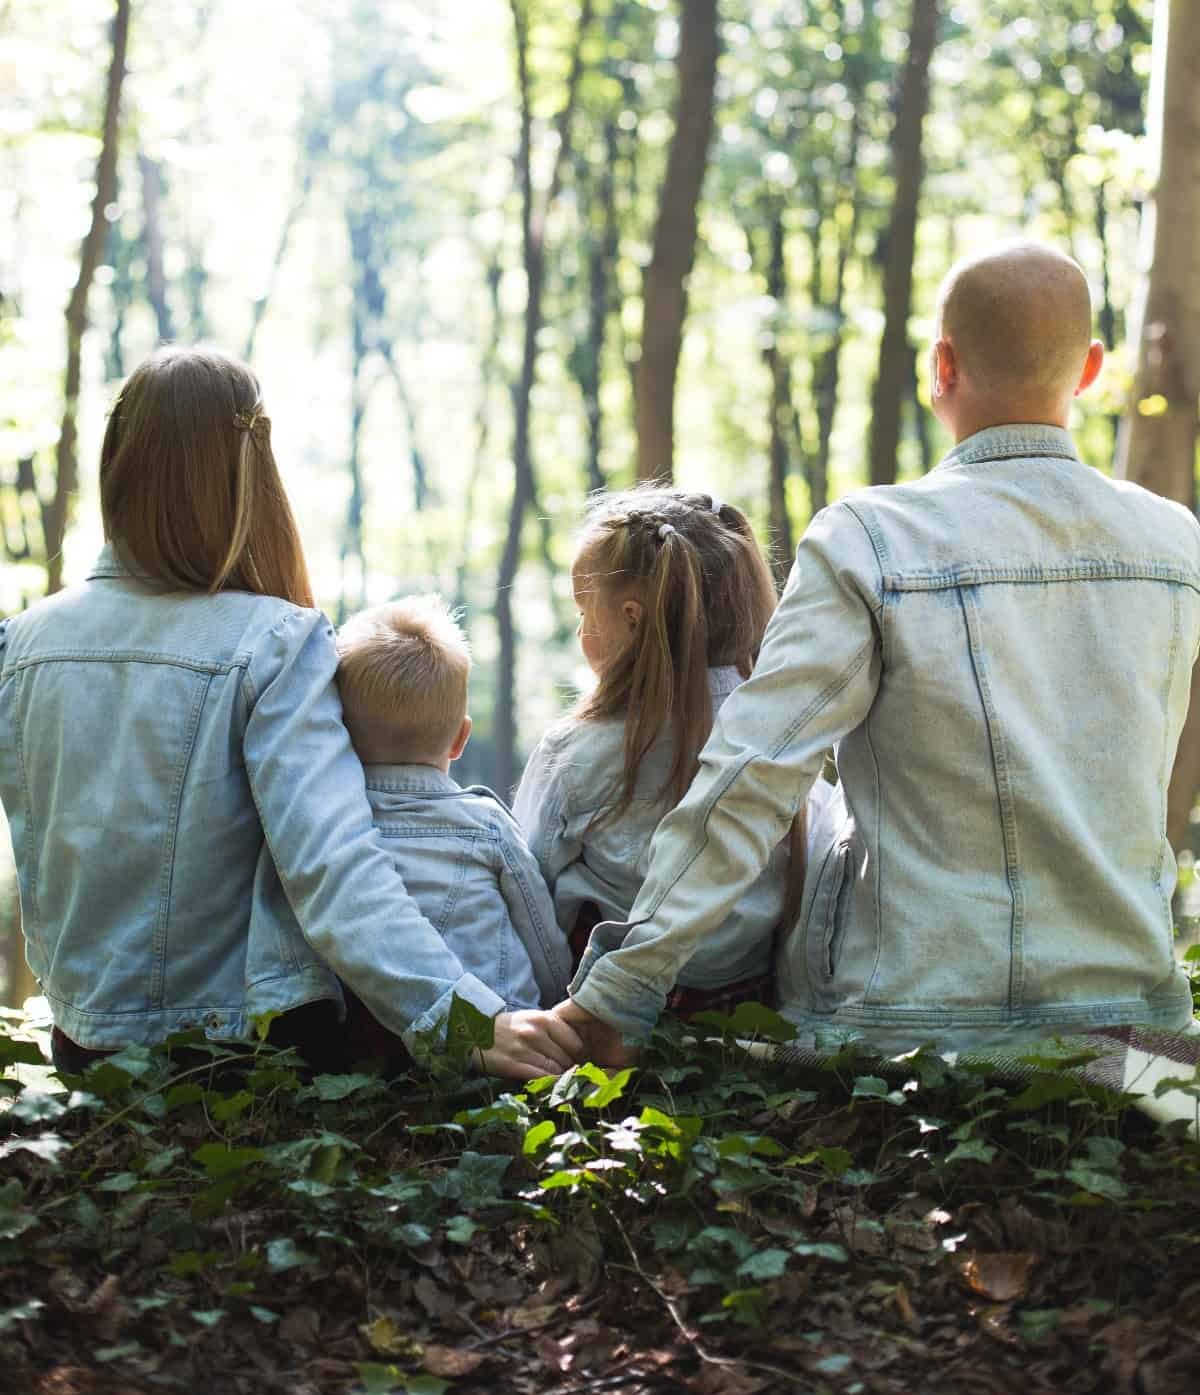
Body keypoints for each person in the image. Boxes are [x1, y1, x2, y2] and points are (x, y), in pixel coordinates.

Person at [554, 241, 1200, 1063]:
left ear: (941, 366)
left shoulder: (871, 539)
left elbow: (752, 774)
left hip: (906, 1028)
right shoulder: (1176, 544)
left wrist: (620, 991)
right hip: (1135, 1031)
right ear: (1091, 370)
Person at [0, 346, 581, 1080]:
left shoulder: (20, 644)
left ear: (117, 461)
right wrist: (465, 1020)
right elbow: (334, 868)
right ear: (250, 477)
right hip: (238, 1057)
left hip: (84, 1049)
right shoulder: (274, 641)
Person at [514, 487, 832, 1015]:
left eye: (585, 610)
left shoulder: (575, 751)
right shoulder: (784, 739)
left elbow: (529, 891)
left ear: (633, 618)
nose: (580, 629)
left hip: (604, 1016)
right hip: (747, 1013)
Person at [332, 593, 570, 1066]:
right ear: (461, 738)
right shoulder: (485, 825)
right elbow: (542, 939)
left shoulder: (331, 828)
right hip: (502, 1040)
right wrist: (555, 1004)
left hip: (374, 1049)